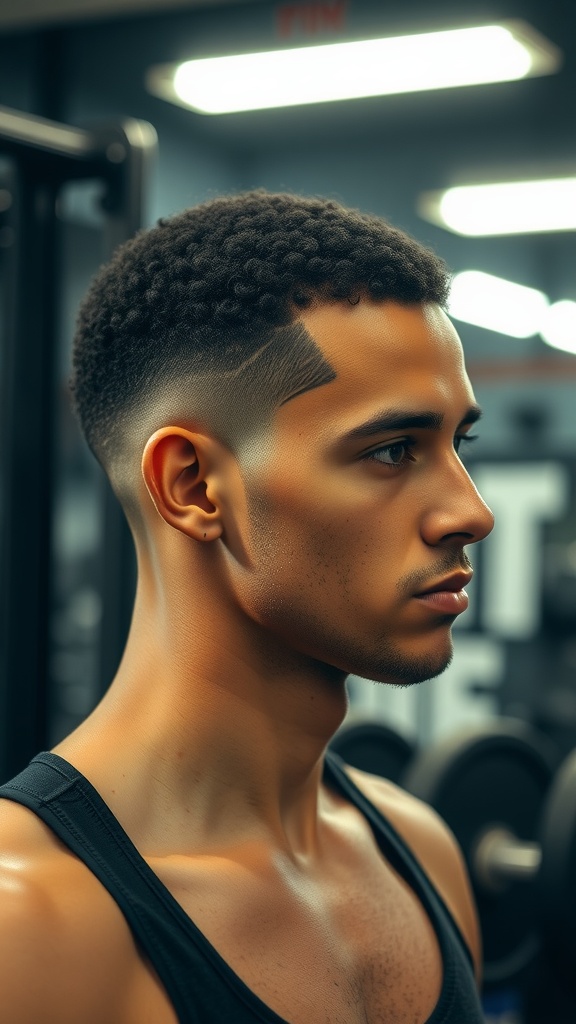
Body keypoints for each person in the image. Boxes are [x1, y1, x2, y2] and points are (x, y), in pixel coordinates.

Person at [0, 190, 493, 1023]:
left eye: (458, 444)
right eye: (393, 450)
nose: (471, 511)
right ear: (194, 488)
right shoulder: (31, 925)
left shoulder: (422, 851)